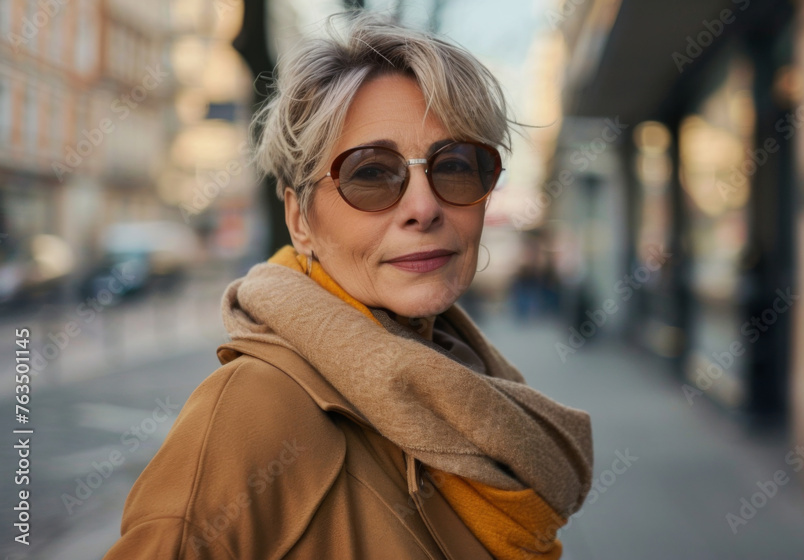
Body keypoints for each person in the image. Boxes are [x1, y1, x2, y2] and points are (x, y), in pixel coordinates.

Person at [104, 12, 594, 560]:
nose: (424, 208)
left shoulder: (466, 379)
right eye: (370, 172)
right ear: (300, 221)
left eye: (455, 165)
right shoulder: (250, 411)